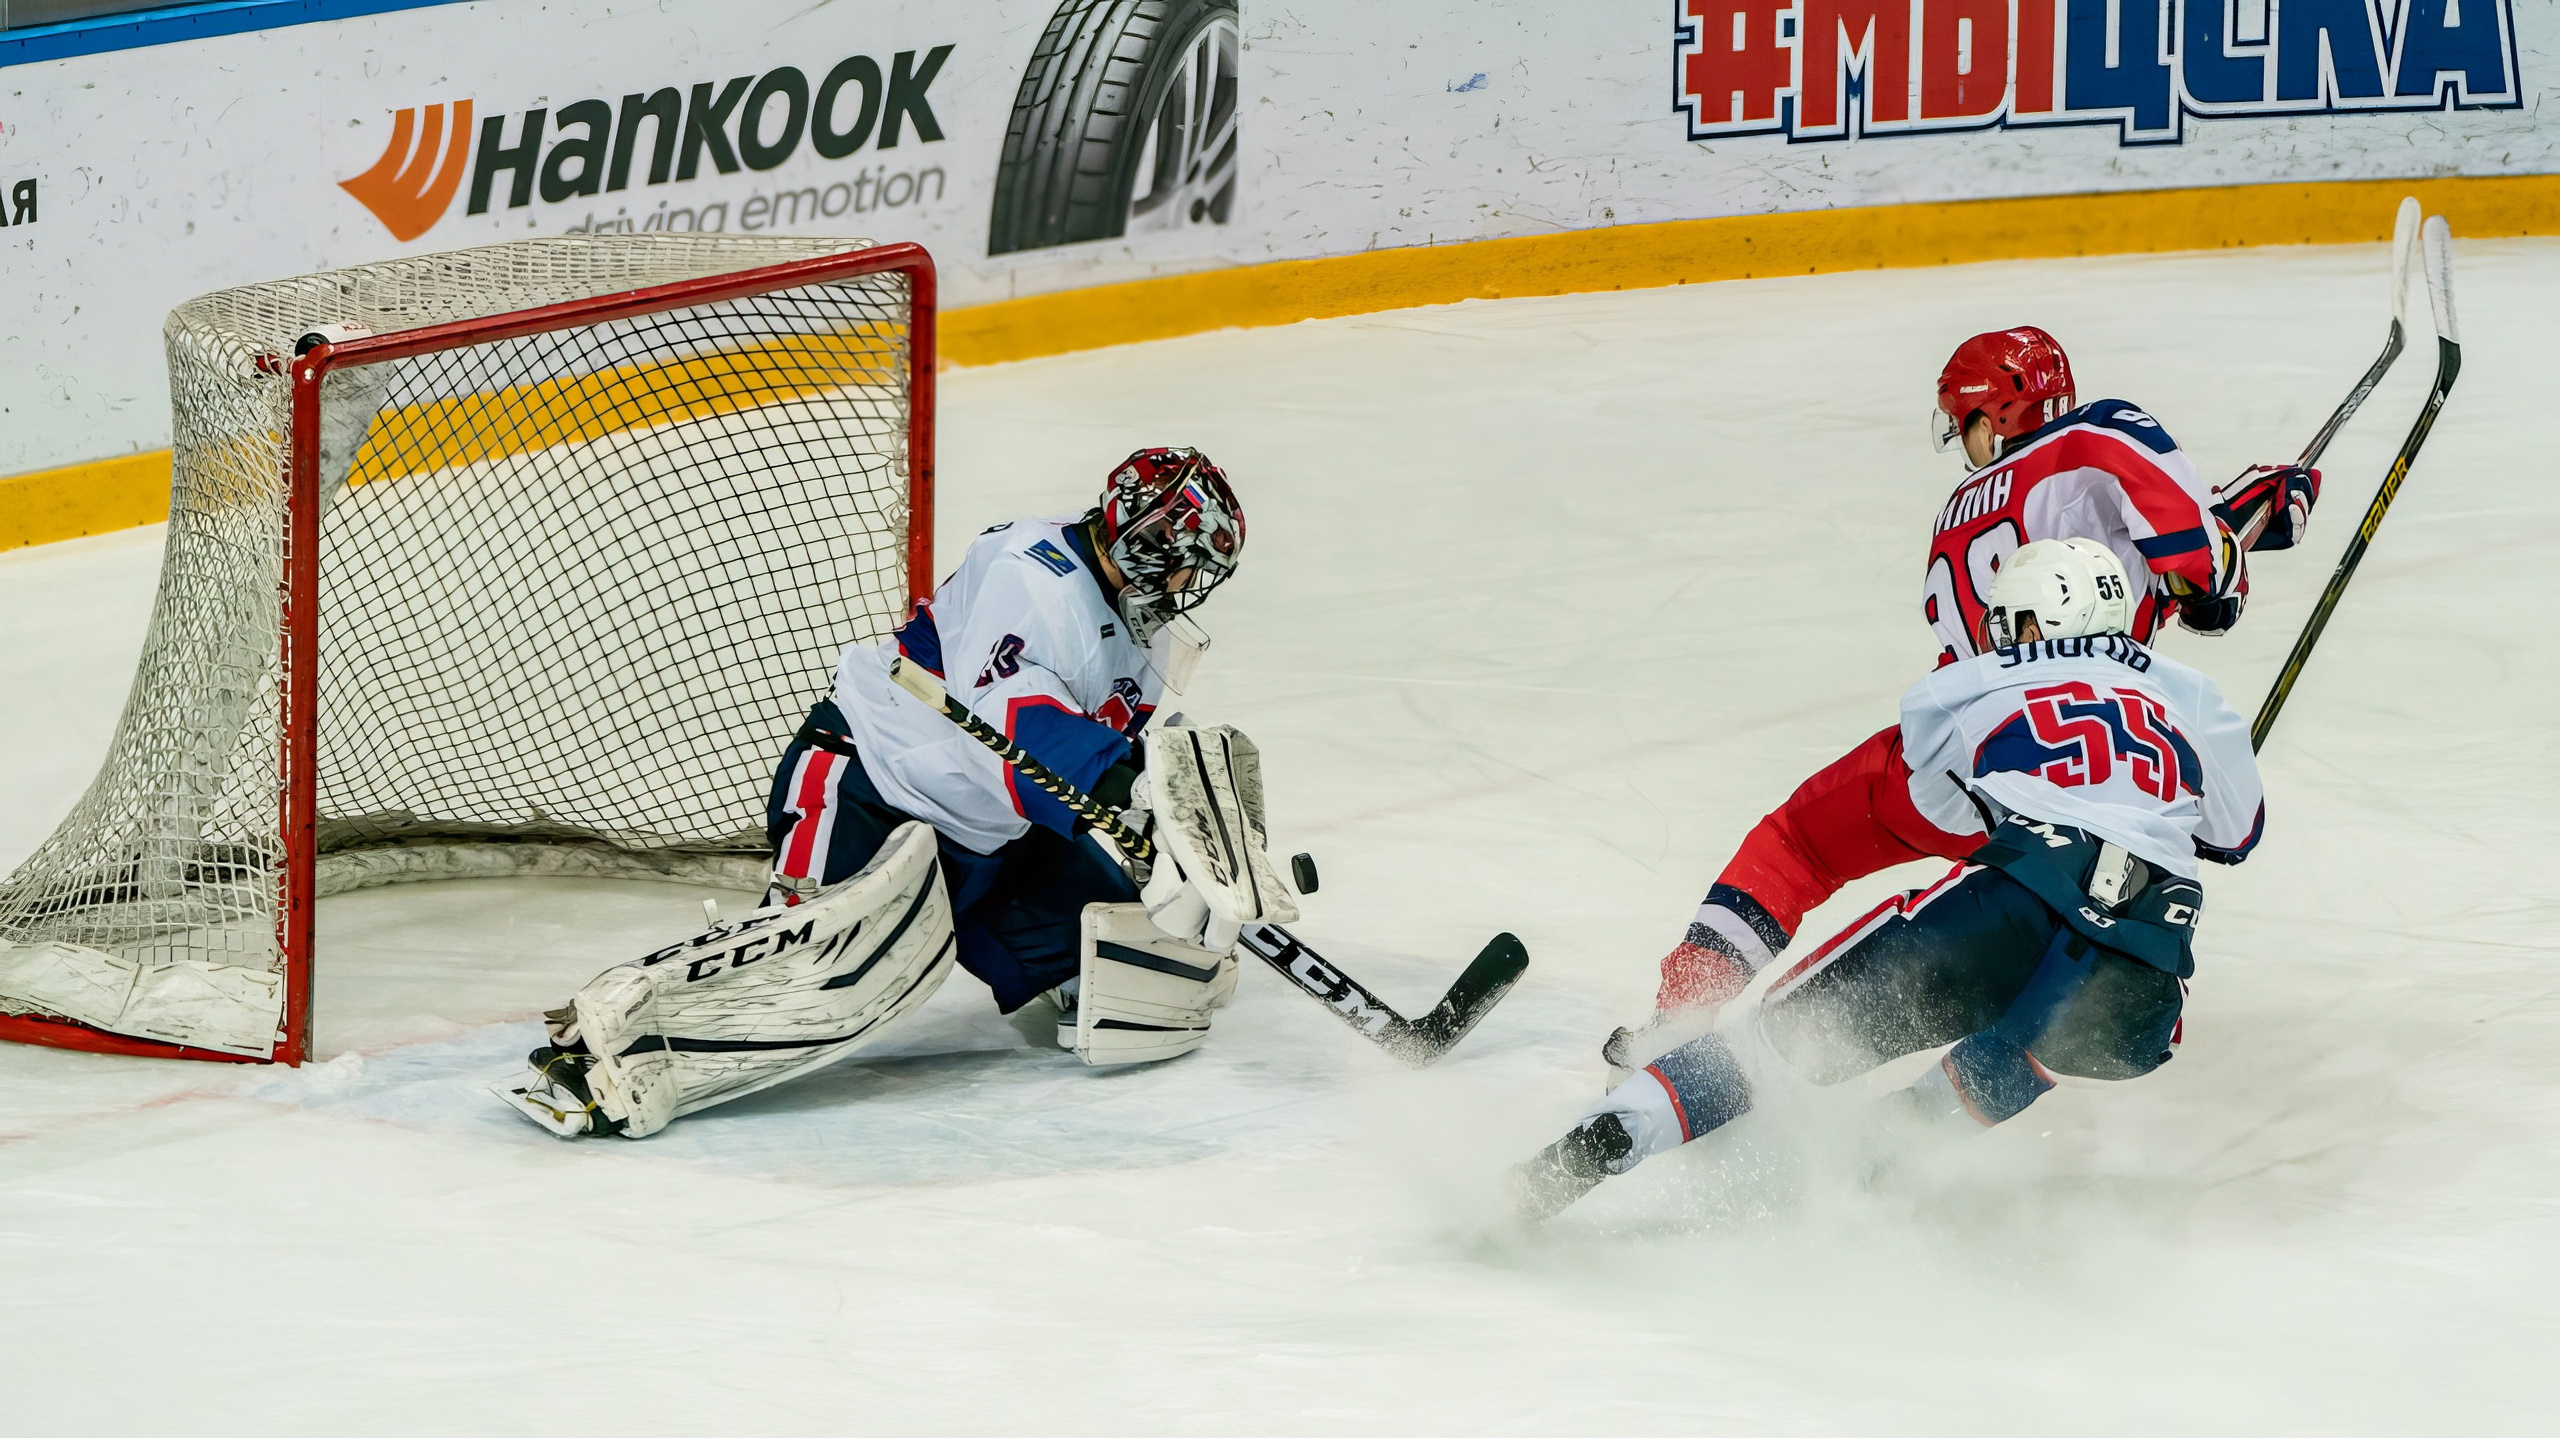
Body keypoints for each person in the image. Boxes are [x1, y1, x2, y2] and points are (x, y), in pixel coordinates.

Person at [494, 447, 1261, 1139]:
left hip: (994, 833)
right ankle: (593, 1056)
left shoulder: (1147, 626)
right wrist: (1125, 788)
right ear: (1148, 539)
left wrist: (1151, 813)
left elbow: (1108, 747)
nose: (1188, 589)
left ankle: (1036, 953)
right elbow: (1022, 725)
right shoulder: (1030, 573)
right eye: (1186, 566)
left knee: (1130, 966)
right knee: (804, 973)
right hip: (874, 784)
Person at [1619, 328, 2313, 1060]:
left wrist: (2226, 516)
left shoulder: (1961, 508)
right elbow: (2182, 584)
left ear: (1995, 418)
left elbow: (2088, 586)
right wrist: (2241, 536)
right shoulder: (2099, 434)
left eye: (1966, 423)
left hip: (1956, 753)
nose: (1964, 441)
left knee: (1799, 841)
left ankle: (1677, 1021)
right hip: (2075, 773)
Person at [1518, 539, 2265, 1218]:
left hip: (2016, 893)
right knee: (2030, 1039)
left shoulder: (1967, 686)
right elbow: (2234, 837)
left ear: (2039, 624)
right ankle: (1876, 1164)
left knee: (1776, 1049)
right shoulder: (2195, 697)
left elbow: (1949, 808)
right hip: (2150, 975)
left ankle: (1603, 1138)